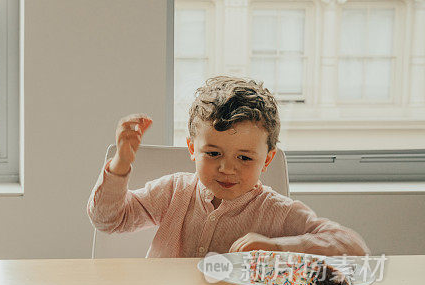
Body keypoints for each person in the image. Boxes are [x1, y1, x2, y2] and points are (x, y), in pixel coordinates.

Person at [87, 76, 370, 258]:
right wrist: (121, 164)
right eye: (212, 153)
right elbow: (108, 219)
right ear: (192, 150)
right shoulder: (174, 191)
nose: (227, 169)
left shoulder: (278, 213)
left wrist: (278, 248)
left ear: (267, 160)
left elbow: (354, 248)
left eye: (244, 158)